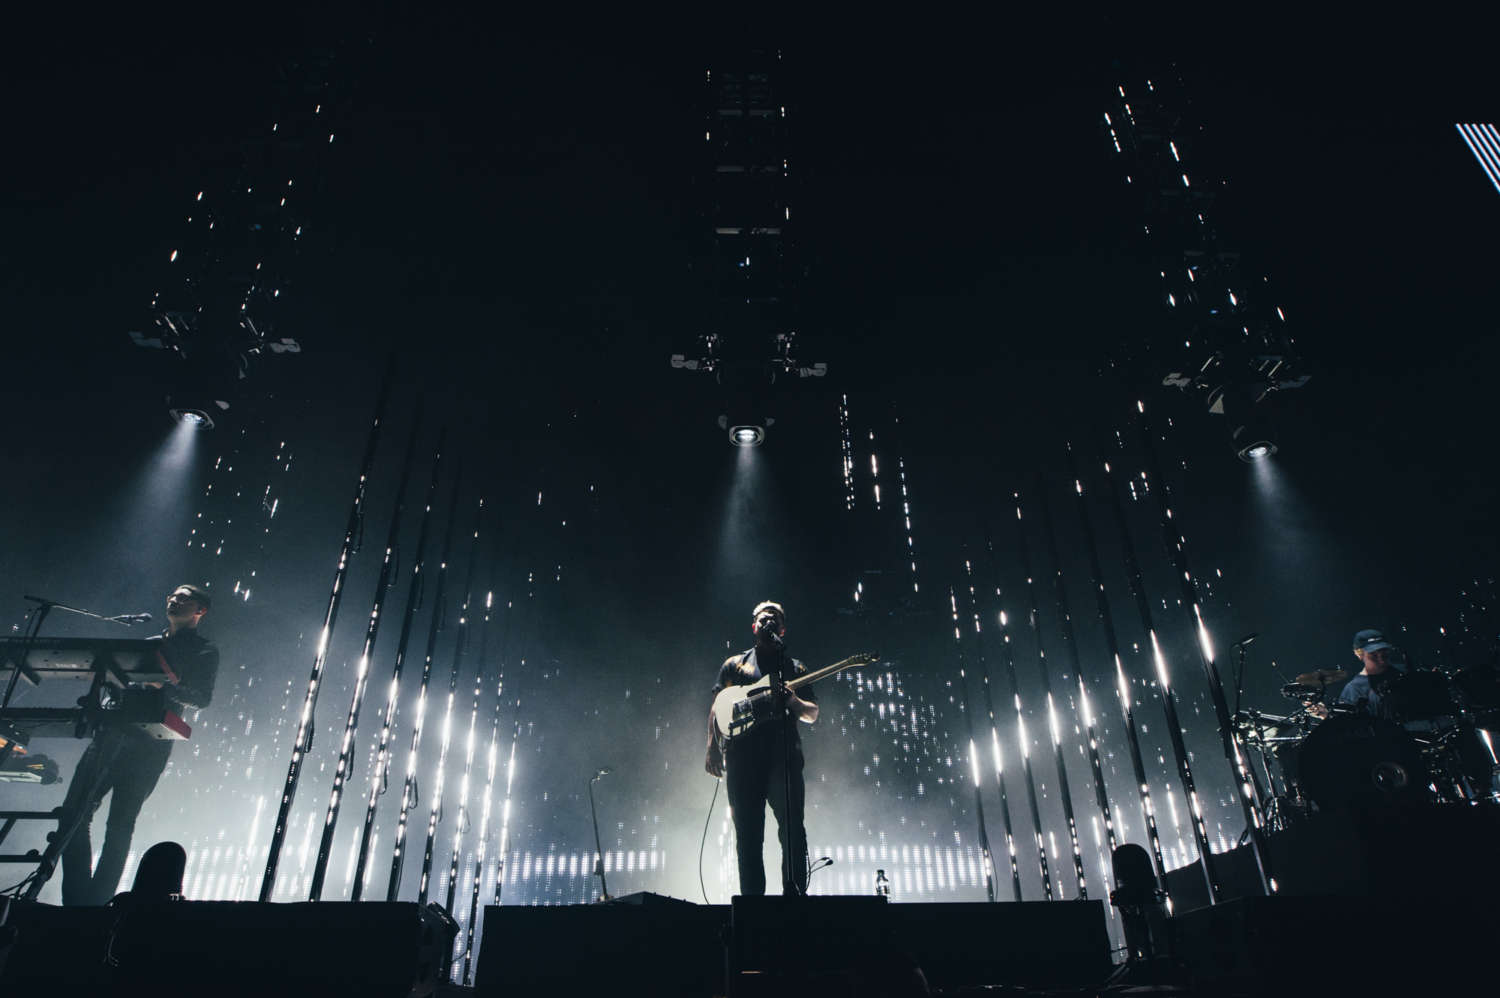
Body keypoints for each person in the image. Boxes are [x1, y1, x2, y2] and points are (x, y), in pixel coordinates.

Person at [57, 584, 219, 905]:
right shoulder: (146, 645)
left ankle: (96, 903)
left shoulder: (204, 650)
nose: (173, 600)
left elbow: (201, 698)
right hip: (112, 733)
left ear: (200, 610)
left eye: (183, 598)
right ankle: (78, 902)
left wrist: (166, 684)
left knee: (120, 824)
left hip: (151, 743)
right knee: (73, 814)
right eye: (172, 596)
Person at [704, 601, 818, 896]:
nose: (768, 621)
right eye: (762, 618)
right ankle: (753, 903)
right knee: (748, 835)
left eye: (775, 618)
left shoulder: (795, 668)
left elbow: (812, 713)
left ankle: (794, 897)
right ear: (754, 626)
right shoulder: (735, 665)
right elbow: (717, 707)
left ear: (782, 628)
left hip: (784, 759)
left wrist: (793, 701)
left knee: (792, 829)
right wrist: (712, 748)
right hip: (743, 760)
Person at [1337, 628, 1404, 717]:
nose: (1381, 658)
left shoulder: (1404, 671)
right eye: (1373, 654)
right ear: (1358, 654)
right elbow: (1346, 724)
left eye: (1384, 651)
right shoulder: (1354, 689)